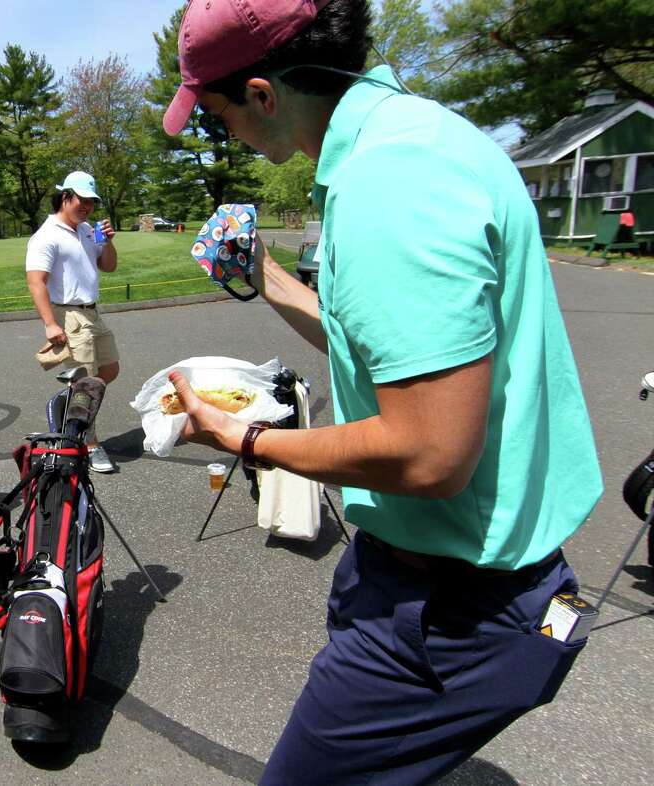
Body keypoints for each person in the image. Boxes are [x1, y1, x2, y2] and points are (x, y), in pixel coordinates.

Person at [161, 1, 603, 782]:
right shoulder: (428, 138)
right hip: (447, 575)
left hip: (453, 608)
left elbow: (428, 452)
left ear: (263, 94)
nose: (219, 131)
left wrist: (245, 439)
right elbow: (402, 356)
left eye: (216, 112)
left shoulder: (386, 185)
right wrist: (264, 276)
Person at [25, 171, 120, 473]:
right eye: (82, 200)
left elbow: (109, 266)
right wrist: (50, 324)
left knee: (109, 369)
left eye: (91, 201)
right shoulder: (46, 235)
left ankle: (69, 408)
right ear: (65, 197)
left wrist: (109, 243)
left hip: (92, 312)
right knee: (87, 384)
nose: (87, 206)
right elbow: (36, 282)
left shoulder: (86, 229)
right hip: (69, 315)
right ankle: (89, 443)